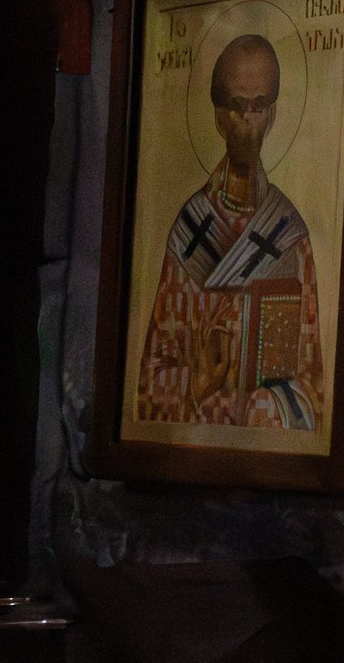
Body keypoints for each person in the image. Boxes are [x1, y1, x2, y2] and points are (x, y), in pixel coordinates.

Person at [134, 33, 323, 431]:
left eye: (259, 106)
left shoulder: (291, 237)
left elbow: (312, 384)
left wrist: (259, 407)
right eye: (238, 107)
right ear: (219, 115)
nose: (249, 120)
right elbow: (150, 379)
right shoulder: (190, 231)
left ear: (271, 115)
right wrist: (196, 384)